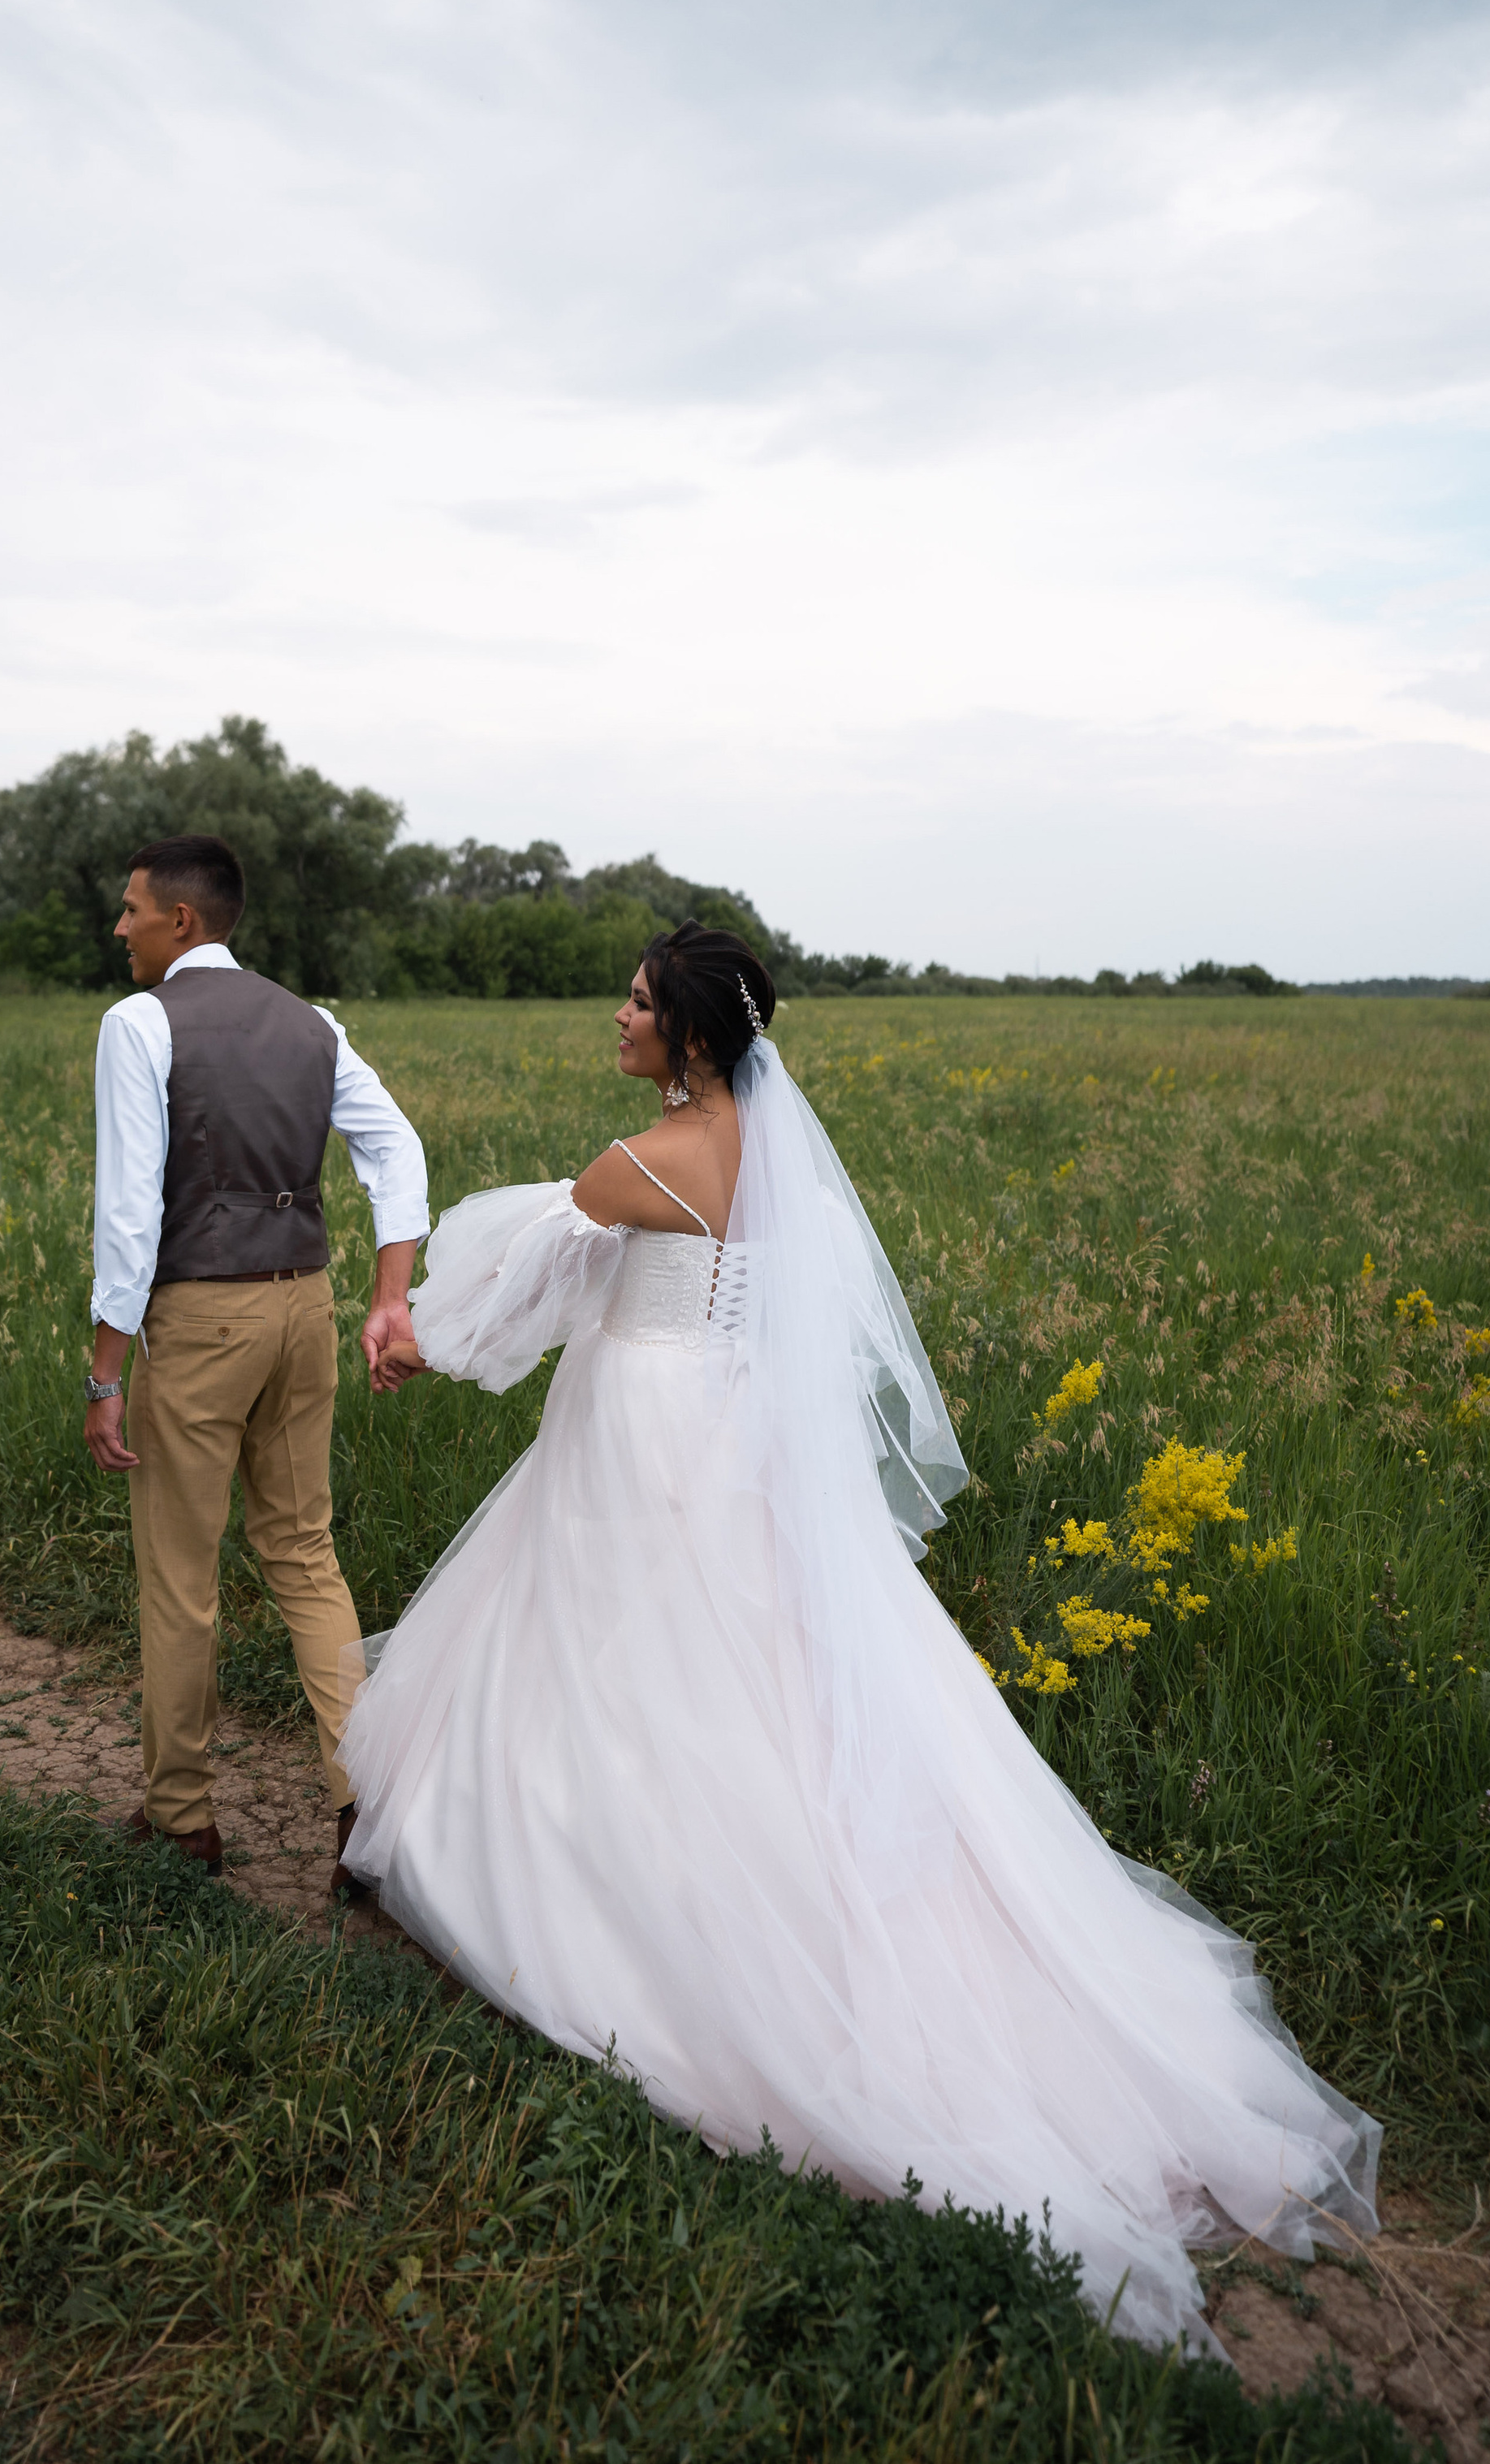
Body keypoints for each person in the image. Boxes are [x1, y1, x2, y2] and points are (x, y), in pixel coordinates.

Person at [339, 923, 1379, 2350]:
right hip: (731, 1435)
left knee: (618, 1668)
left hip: (644, 1427)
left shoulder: (632, 1167)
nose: (620, 1019)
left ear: (694, 1038)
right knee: (743, 1677)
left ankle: (616, 1907)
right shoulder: (782, 1177)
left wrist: (416, 1330)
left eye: (640, 1006)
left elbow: (541, 1262)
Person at [84, 834, 429, 1896]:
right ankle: (360, 1804)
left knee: (183, 1574)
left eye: (132, 909)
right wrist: (386, 1296)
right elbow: (400, 1150)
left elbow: (131, 1212)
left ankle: (183, 1817)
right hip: (304, 1313)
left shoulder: (137, 1024)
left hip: (200, 1322)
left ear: (182, 920)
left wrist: (106, 1371)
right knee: (303, 1555)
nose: (121, 927)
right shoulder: (312, 1024)